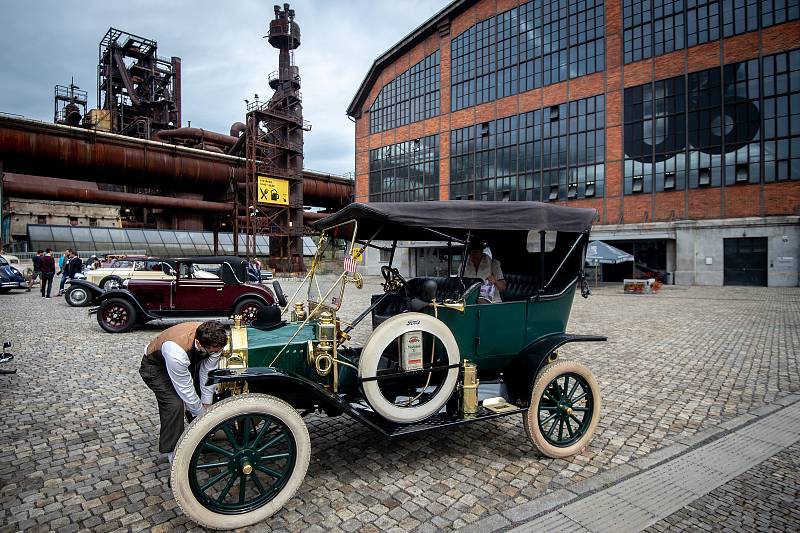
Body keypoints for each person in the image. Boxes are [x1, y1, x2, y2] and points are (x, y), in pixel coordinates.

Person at [139, 321, 228, 465]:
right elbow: (185, 389)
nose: (216, 352)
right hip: (155, 367)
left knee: (199, 396)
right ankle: (172, 454)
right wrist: (202, 414)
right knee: (174, 404)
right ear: (199, 343)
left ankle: (201, 438)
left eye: (217, 350)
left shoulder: (214, 339)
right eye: (212, 350)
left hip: (187, 362)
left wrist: (206, 403)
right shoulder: (176, 351)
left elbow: (208, 372)